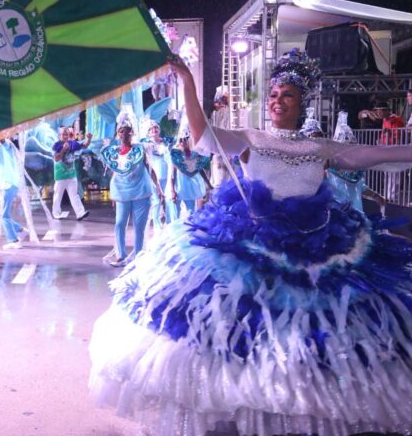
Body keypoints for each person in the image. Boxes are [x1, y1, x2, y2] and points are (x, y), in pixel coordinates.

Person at [89, 49, 412, 435]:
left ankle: (291, 406)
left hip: (314, 247)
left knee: (303, 331)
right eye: (274, 95)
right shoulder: (250, 138)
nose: (278, 102)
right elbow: (202, 135)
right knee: (247, 327)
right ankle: (241, 404)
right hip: (251, 243)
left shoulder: (321, 148)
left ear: (301, 102)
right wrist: (187, 81)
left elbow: (377, 154)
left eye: (287, 95)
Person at [100, 113, 163, 267]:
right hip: (122, 194)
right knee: (119, 223)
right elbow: (115, 173)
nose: (125, 134)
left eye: (128, 131)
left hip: (141, 193)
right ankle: (121, 255)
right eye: (122, 131)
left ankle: (137, 256)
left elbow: (151, 169)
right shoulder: (113, 153)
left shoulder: (140, 150)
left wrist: (159, 188)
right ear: (117, 134)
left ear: (132, 133)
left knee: (139, 227)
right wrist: (113, 193)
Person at [168, 128, 212, 218]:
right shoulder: (176, 155)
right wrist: (172, 190)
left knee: (191, 213)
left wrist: (208, 184)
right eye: (181, 140)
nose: (183, 142)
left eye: (186, 139)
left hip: (193, 187)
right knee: (178, 214)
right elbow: (172, 174)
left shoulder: (195, 154)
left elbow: (200, 169)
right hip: (180, 188)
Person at [51, 127, 92, 220]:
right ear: (59, 135)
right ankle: (56, 213)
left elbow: (84, 145)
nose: (65, 136)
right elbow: (56, 158)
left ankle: (80, 213)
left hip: (71, 175)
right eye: (63, 134)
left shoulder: (72, 143)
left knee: (74, 194)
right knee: (58, 196)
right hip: (60, 175)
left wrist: (89, 139)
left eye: (67, 134)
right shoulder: (56, 145)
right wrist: (63, 150)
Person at [0, 139, 25, 250]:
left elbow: (5, 143)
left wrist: (0, 136)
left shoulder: (7, 145)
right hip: (6, 184)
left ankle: (14, 240)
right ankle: (20, 229)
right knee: (0, 213)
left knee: (3, 215)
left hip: (8, 183)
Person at [140, 119, 170, 229]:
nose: (154, 130)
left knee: (167, 199)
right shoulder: (146, 144)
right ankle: (157, 225)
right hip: (153, 174)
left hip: (166, 173)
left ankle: (169, 221)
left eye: (155, 128)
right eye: (151, 129)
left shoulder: (166, 142)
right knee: (156, 200)